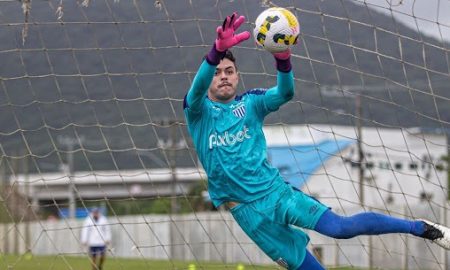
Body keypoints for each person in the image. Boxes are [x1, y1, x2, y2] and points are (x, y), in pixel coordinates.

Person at [183, 11, 450, 270]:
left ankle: (420, 228)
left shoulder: (251, 103)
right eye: (217, 72)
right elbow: (196, 89)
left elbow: (286, 92)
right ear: (208, 80)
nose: (223, 76)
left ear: (237, 76)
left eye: (229, 71)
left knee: (340, 228)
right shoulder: (198, 111)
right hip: (248, 215)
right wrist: (215, 52)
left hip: (276, 194)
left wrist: (284, 59)